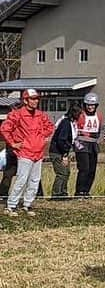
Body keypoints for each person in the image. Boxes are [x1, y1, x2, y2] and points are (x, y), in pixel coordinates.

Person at [1, 89, 55, 217]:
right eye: (32, 98)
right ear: (25, 100)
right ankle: (11, 205)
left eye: (36, 98)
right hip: (25, 152)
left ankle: (27, 204)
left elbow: (50, 126)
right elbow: (4, 129)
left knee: (34, 180)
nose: (35, 101)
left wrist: (43, 137)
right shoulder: (17, 114)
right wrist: (13, 143)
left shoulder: (40, 115)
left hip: (38, 152)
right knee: (22, 179)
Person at [49, 104, 81, 200]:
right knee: (61, 173)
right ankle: (56, 194)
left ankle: (63, 193)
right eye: (79, 114)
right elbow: (61, 140)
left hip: (62, 151)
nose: (79, 116)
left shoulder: (70, 123)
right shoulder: (65, 123)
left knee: (66, 172)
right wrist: (65, 154)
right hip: (57, 151)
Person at [74, 92, 103, 196]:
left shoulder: (99, 116)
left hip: (93, 144)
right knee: (84, 168)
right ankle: (79, 191)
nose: (90, 107)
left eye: (92, 105)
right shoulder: (80, 115)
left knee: (92, 169)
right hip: (81, 143)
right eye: (88, 105)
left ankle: (86, 191)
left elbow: (98, 130)